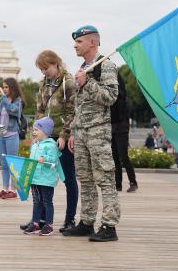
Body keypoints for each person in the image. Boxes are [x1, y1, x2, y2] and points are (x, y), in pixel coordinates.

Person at [64, 25, 120, 242]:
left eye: (79, 41)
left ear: (92, 43)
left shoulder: (105, 66)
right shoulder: (83, 67)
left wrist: (87, 83)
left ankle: (109, 225)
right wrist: (72, 131)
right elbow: (79, 105)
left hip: (98, 131)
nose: (75, 45)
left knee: (105, 179)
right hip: (81, 132)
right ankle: (87, 222)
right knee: (85, 179)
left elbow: (110, 97)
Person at [30, 50, 78, 233]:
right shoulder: (44, 84)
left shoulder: (69, 82)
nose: (44, 72)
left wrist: (64, 135)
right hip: (45, 137)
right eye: (41, 69)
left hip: (61, 137)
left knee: (68, 178)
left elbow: (71, 112)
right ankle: (40, 220)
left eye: (46, 68)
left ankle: (69, 219)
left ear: (56, 63)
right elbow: (39, 110)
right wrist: (36, 135)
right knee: (40, 178)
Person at [23, 117, 65, 236]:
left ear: (45, 131)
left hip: (46, 180)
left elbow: (54, 160)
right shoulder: (35, 144)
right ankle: (36, 223)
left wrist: (45, 159)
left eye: (36, 130)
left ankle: (49, 225)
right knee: (36, 201)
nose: (34, 132)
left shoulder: (50, 145)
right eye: (33, 129)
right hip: (35, 178)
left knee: (47, 201)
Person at [0, 77, 24, 200]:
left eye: (7, 87)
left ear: (12, 88)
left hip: (12, 135)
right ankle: (5, 189)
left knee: (11, 163)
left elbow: (12, 110)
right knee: (4, 164)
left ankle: (13, 190)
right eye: (3, 87)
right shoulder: (2, 100)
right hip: (1, 134)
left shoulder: (18, 101)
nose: (5, 89)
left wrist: (2, 95)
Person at [111, 72, 138, 193]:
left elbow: (125, 114)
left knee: (123, 156)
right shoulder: (111, 95)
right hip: (112, 127)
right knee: (115, 157)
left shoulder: (123, 99)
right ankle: (118, 184)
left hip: (121, 128)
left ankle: (133, 182)